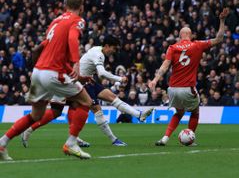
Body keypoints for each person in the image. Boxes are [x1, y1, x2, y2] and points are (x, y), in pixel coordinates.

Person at [0, 0, 93, 160]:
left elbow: (46, 47)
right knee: (85, 101)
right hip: (52, 72)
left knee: (36, 115)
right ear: (82, 6)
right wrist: (76, 62)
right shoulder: (77, 20)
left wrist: (77, 76)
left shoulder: (56, 21)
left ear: (65, 5)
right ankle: (71, 143)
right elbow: (73, 39)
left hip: (38, 72)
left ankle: (2, 142)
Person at [21, 37, 154, 147]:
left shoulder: (96, 49)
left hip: (87, 81)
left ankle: (138, 114)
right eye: (113, 49)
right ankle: (112, 139)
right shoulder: (99, 54)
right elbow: (101, 73)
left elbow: (93, 70)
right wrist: (119, 78)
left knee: (111, 97)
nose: (113, 52)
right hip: (76, 83)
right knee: (70, 110)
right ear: (107, 46)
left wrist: (116, 82)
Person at [148, 8, 229, 146]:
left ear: (180, 36)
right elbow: (219, 39)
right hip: (187, 88)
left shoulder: (172, 47)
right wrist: (222, 20)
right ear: (190, 36)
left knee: (179, 113)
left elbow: (165, 65)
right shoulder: (197, 45)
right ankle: (189, 139)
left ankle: (165, 138)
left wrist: (155, 80)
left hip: (172, 89)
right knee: (195, 112)